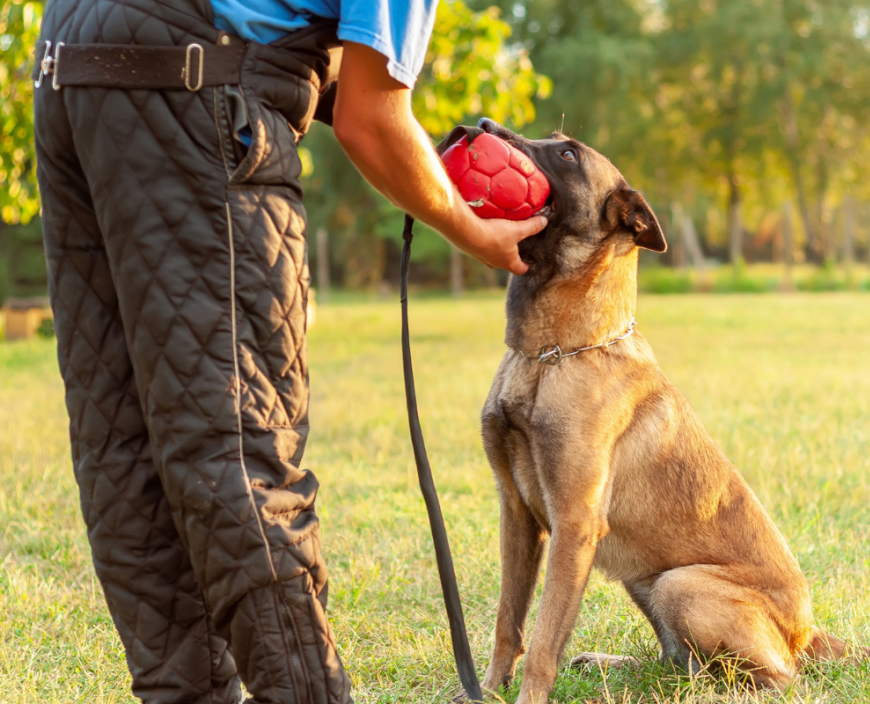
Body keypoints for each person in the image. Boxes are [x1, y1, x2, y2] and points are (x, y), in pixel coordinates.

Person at [33, 1, 546, 702]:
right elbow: (373, 120)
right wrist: (466, 226)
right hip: (193, 76)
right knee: (238, 448)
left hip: (71, 59)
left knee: (122, 445)